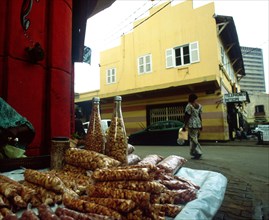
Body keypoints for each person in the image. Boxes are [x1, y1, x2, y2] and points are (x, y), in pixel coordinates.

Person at [183, 93, 203, 159]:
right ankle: (195, 153)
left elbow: (187, 116)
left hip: (191, 123)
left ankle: (198, 151)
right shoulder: (199, 106)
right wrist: (201, 124)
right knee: (194, 137)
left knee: (193, 138)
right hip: (197, 123)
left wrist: (184, 125)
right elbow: (200, 116)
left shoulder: (189, 106)